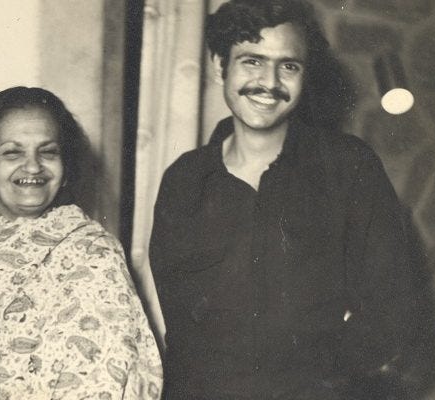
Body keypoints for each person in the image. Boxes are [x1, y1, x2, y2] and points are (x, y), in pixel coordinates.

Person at [149, 0, 416, 398]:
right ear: (220, 65)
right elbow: (182, 329)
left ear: (305, 77)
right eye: (252, 61)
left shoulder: (348, 167)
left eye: (288, 65)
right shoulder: (185, 181)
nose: (269, 82)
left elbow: (392, 311)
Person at [0, 86, 163, 399]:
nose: (33, 166)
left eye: (48, 152)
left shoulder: (93, 252)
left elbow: (109, 374)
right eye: (13, 152)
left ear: (65, 172)